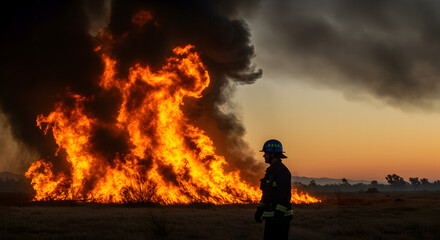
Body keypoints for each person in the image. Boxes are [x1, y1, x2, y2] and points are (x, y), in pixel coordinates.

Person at [254, 139, 293, 240]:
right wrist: (259, 210)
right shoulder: (271, 172)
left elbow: (284, 196)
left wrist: (279, 215)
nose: (264, 156)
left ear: (272, 154)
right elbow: (267, 194)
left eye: (265, 153)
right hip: (271, 218)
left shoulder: (281, 171)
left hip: (280, 219)